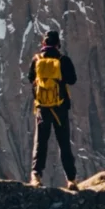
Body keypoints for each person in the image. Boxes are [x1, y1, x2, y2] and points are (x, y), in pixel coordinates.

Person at [27, 28, 79, 189]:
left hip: (42, 108)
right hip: (60, 108)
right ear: (58, 44)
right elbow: (73, 80)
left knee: (41, 142)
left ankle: (36, 176)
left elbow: (30, 78)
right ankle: (71, 180)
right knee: (64, 143)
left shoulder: (36, 59)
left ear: (43, 43)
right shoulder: (63, 60)